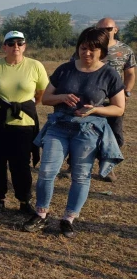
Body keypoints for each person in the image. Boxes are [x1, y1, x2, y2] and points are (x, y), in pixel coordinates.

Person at [24, 27, 124, 238]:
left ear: (102, 51)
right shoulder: (64, 69)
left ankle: (68, 219)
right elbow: (46, 99)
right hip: (58, 127)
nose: (86, 53)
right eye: (83, 48)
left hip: (88, 132)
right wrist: (61, 98)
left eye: (92, 50)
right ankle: (41, 214)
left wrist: (95, 109)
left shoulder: (110, 74)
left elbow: (119, 108)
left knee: (80, 176)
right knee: (47, 172)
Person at [0, 31, 48, 214]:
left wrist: (21, 106)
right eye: (11, 43)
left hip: (23, 124)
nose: (16, 46)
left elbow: (41, 94)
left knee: (21, 163)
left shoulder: (35, 66)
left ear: (25, 46)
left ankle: (24, 200)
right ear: (4, 46)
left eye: (20, 43)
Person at [75, 18, 134, 182]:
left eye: (108, 29)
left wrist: (126, 93)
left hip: (112, 100)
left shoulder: (125, 50)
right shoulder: (87, 48)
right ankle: (72, 164)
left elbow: (130, 74)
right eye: (100, 28)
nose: (104, 31)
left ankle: (107, 167)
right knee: (80, 132)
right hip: (89, 99)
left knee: (114, 135)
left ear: (115, 29)